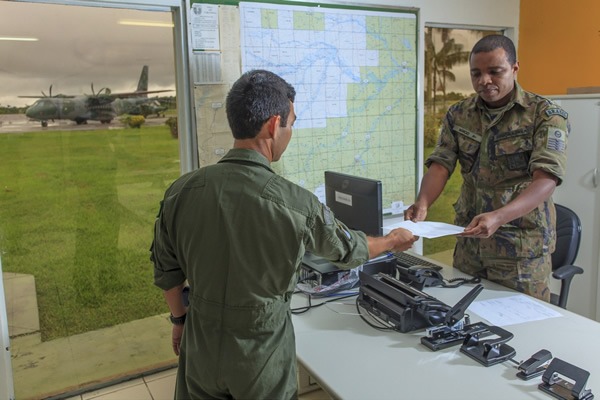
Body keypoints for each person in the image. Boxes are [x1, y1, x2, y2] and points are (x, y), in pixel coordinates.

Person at [150, 69, 417, 399]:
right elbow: (348, 251)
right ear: (274, 125)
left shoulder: (181, 191)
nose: (289, 131)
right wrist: (393, 240)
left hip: (200, 344)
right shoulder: (296, 203)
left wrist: (179, 321)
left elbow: (167, 272)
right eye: (290, 122)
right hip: (259, 353)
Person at [405, 35, 569, 302]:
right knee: (461, 316)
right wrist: (423, 202)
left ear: (515, 68)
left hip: (520, 251)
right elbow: (441, 165)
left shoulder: (545, 115)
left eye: (495, 72)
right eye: (476, 73)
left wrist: (499, 217)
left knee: (524, 327)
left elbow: (546, 179)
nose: (484, 80)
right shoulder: (459, 114)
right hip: (471, 245)